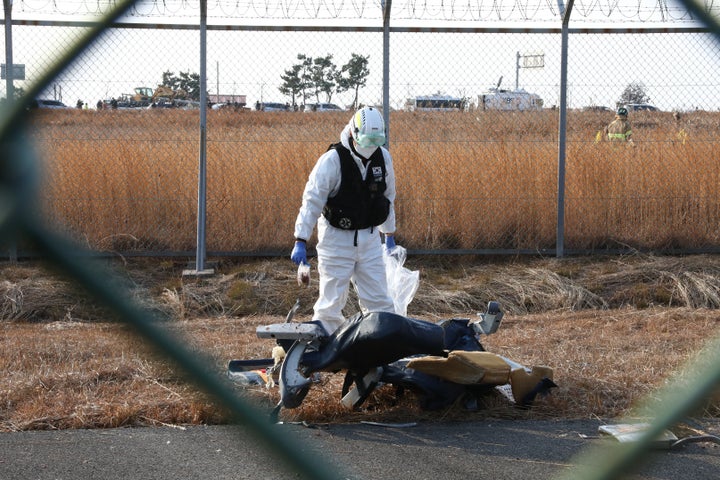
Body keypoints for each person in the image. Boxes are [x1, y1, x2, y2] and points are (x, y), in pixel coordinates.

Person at [290, 106, 399, 335]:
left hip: (369, 240)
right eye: (367, 140)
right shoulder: (332, 160)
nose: (371, 146)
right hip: (336, 239)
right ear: (353, 133)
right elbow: (312, 200)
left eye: (376, 140)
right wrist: (301, 238)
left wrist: (389, 234)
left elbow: (387, 197)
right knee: (330, 305)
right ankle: (323, 356)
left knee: (380, 301)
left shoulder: (383, 158)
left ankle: (379, 354)